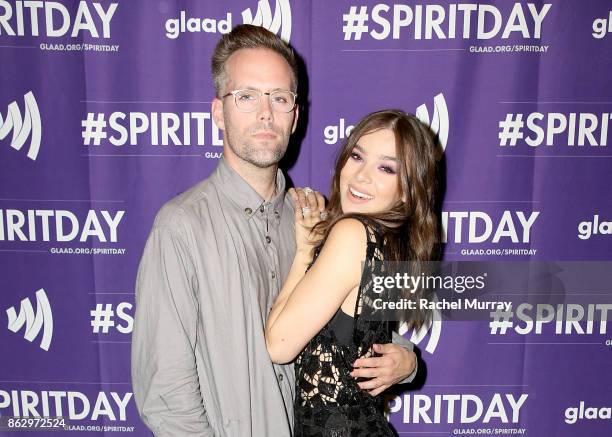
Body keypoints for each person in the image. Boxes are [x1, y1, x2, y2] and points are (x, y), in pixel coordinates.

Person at [131, 25, 417, 436]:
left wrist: (405, 360)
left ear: (295, 115)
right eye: (246, 96)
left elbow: (349, 334)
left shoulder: (318, 220)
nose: (265, 113)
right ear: (218, 112)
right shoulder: (181, 227)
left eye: (279, 98)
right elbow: (166, 392)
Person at [266, 109, 439, 436]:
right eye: (357, 156)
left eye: (386, 168)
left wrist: (303, 252)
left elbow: (279, 345)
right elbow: (360, 345)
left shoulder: (353, 233)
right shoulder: (389, 244)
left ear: (407, 189)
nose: (361, 176)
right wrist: (410, 362)